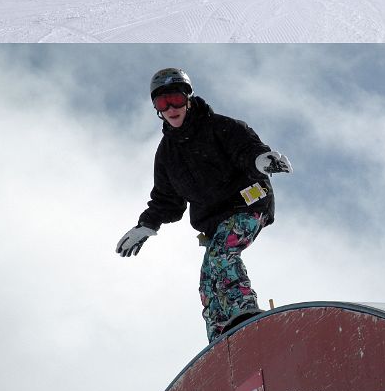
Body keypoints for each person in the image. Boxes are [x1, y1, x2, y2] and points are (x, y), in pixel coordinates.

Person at [116, 68, 293, 342]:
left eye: (175, 99)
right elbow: (167, 200)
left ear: (188, 98)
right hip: (215, 221)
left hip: (248, 203)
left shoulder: (220, 127)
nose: (171, 108)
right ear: (156, 109)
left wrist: (261, 161)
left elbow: (247, 150)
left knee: (221, 256)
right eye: (163, 104)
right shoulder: (166, 155)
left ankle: (243, 310)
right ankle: (220, 336)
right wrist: (146, 226)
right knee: (208, 281)